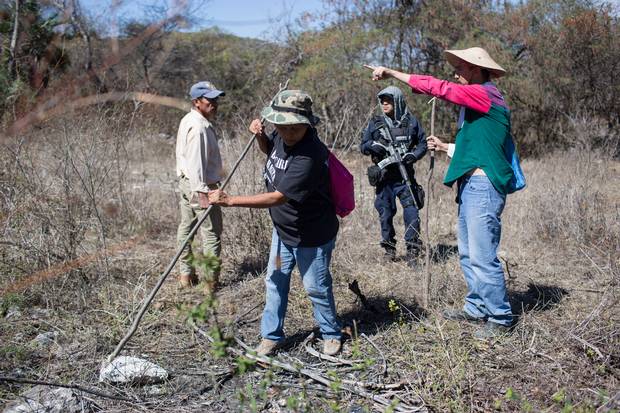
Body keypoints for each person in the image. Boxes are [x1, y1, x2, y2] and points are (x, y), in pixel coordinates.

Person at [368, 46, 525, 339]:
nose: (456, 74)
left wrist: (391, 73)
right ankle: (477, 308)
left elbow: (438, 88)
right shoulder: (479, 102)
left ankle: (500, 317)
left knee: (481, 254)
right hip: (471, 184)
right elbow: (482, 145)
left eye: (461, 68)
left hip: (483, 186)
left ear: (476, 70)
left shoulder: (485, 93)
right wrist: (446, 147)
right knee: (467, 252)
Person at [208, 90, 342, 356]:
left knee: (316, 287)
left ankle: (331, 333)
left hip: (310, 238)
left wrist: (230, 200)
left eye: (293, 127)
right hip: (283, 232)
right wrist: (260, 136)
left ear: (306, 124)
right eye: (281, 126)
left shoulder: (311, 156)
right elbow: (271, 151)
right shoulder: (281, 136)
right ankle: (271, 335)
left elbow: (277, 197)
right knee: (276, 280)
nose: (287, 132)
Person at [360, 86, 427, 265]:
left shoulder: (412, 122)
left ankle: (413, 250)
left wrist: (414, 155)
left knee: (412, 213)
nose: (384, 104)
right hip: (384, 179)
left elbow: (422, 143)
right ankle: (389, 249)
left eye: (388, 100)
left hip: (405, 178)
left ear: (397, 101)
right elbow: (363, 145)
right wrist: (372, 146)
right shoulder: (375, 123)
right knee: (385, 214)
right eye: (382, 101)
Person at [175, 81, 225, 292]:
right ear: (197, 102)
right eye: (209, 100)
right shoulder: (198, 127)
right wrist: (202, 191)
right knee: (211, 233)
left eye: (215, 99)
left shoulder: (189, 119)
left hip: (187, 183)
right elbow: (196, 163)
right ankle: (209, 284)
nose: (214, 104)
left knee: (186, 229)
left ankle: (185, 276)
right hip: (200, 186)